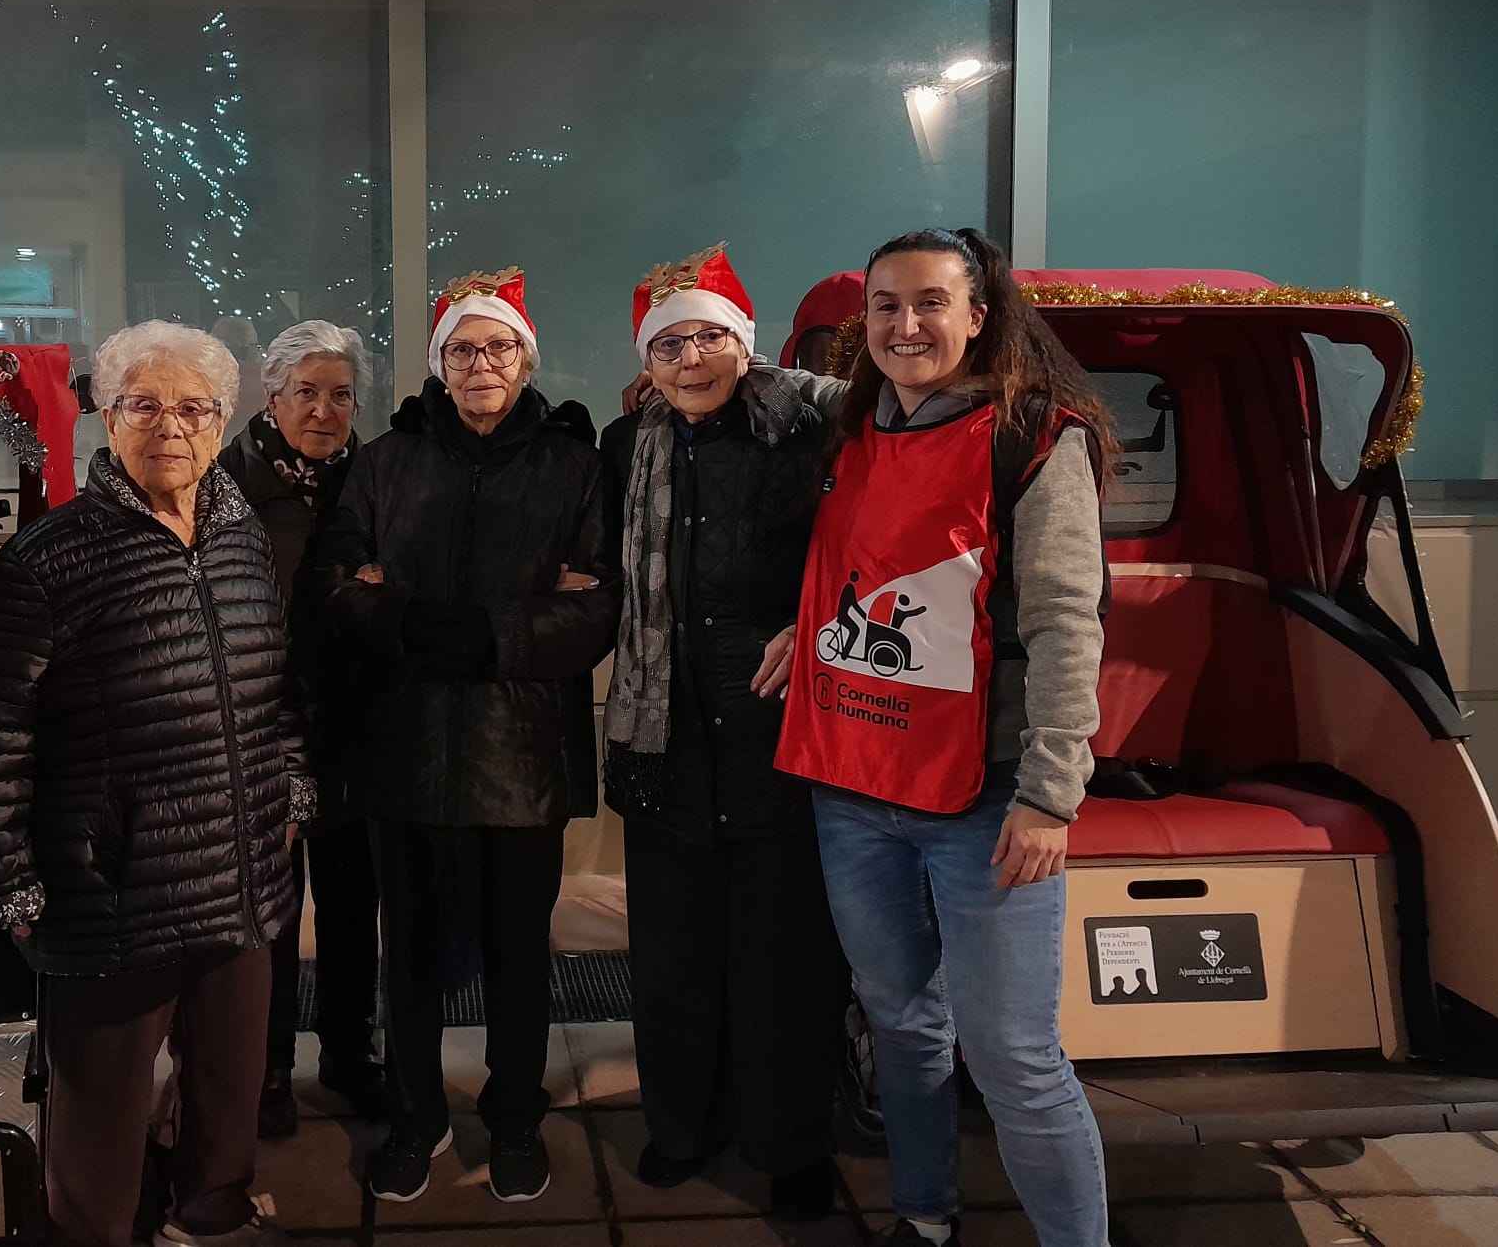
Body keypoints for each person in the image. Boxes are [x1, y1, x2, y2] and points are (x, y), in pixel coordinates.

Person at [761, 227, 1115, 1247]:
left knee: (1014, 1056)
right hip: (856, 785)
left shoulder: (1037, 438)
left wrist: (1053, 793)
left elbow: (1063, 621)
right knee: (903, 1023)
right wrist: (815, 631)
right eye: (884, 305)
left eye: (928, 303)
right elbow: (876, 570)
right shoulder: (853, 432)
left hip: (988, 800)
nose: (904, 324)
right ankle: (925, 1215)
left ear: (979, 314)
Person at [0, 320, 311, 1247]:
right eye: (145, 405)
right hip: (110, 890)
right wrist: (4, 880)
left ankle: (212, 1222)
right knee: (98, 1122)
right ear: (108, 416)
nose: (171, 427)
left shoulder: (242, 536)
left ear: (223, 422)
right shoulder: (49, 557)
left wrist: (291, 791)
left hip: (243, 874)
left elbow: (276, 690)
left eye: (194, 408)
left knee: (229, 1090)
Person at [314, 268, 619, 1207]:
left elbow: (601, 606)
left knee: (522, 949)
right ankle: (416, 1116)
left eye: (497, 348)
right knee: (403, 948)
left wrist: (490, 636)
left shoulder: (574, 465)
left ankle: (517, 1114)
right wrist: (411, 624)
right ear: (438, 365)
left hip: (520, 751)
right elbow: (334, 581)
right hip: (402, 746)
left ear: (525, 359)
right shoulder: (387, 461)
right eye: (461, 349)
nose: (479, 364)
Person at [599, 244, 850, 1220]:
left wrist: (820, 616)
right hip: (662, 742)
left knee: (786, 961)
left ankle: (790, 1145)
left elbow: (872, 539)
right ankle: (680, 1127)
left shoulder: (810, 428)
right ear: (647, 360)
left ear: (745, 343)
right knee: (673, 960)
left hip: (781, 730)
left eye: (710, 335)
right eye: (669, 342)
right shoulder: (628, 447)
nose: (690, 356)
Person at [216, 319, 386, 1136]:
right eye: (306, 393)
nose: (324, 411)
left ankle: (350, 1054)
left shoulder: (373, 480)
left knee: (355, 904)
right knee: (270, 913)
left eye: (341, 395)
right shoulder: (226, 484)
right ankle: (268, 1070)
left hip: (354, 724)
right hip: (257, 730)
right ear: (271, 396)